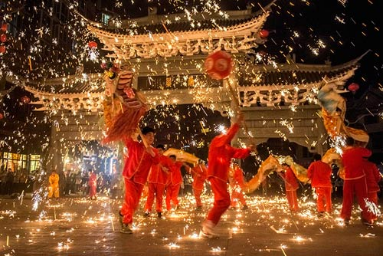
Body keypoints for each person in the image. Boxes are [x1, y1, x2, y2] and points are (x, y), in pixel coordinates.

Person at [201, 112, 254, 238]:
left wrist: (249, 149)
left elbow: (239, 153)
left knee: (222, 202)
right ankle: (207, 227)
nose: (227, 133)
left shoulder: (227, 148)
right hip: (215, 175)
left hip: (220, 178)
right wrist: (237, 123)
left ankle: (208, 226)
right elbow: (229, 136)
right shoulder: (217, 141)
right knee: (224, 201)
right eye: (226, 130)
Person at [118, 126, 160, 234]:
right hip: (129, 176)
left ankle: (122, 212)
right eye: (149, 135)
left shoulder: (153, 151)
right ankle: (126, 223)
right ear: (144, 136)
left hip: (140, 180)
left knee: (135, 203)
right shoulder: (134, 145)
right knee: (131, 200)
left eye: (153, 136)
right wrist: (132, 127)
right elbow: (125, 137)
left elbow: (156, 161)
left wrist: (151, 151)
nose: (152, 137)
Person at [340, 137, 374, 226]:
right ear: (354, 143)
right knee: (363, 198)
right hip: (359, 177)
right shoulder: (358, 150)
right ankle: (367, 218)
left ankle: (346, 218)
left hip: (348, 178)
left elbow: (343, 164)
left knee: (347, 199)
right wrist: (360, 146)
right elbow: (369, 153)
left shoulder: (343, 153)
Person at [144, 144, 173, 218]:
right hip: (152, 179)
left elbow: (171, 169)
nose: (159, 152)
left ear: (163, 151)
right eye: (157, 150)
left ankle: (159, 210)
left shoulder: (166, 159)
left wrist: (166, 170)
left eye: (160, 150)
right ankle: (147, 210)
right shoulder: (152, 158)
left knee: (159, 197)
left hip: (161, 181)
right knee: (150, 196)